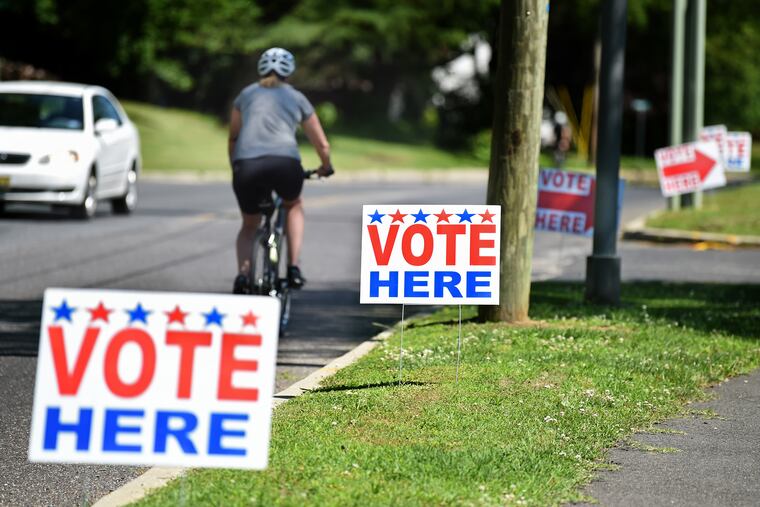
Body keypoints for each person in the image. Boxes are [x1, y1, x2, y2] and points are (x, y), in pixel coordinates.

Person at [228, 47, 332, 294]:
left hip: (247, 166)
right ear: (290, 71)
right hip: (285, 164)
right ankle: (293, 267)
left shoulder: (245, 95)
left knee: (249, 225)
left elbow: (234, 137)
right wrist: (325, 167)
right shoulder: (296, 97)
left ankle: (243, 277)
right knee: (293, 204)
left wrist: (236, 166)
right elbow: (321, 143)